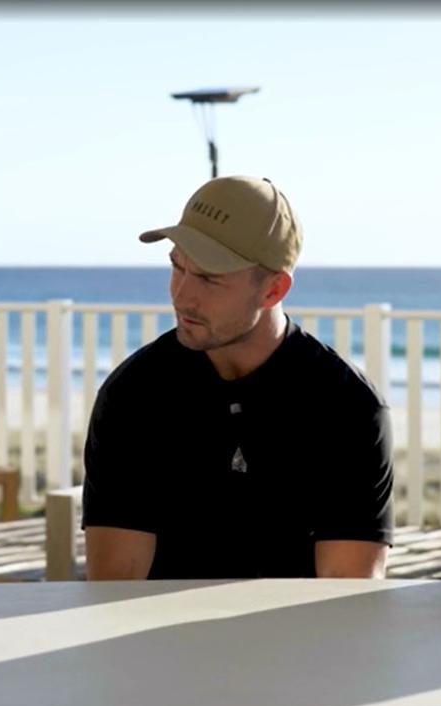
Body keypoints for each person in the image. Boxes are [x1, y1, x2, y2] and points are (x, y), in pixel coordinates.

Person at [81, 175, 394, 580]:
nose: (182, 295)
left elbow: (346, 600)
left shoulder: (345, 406)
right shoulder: (136, 394)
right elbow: (114, 592)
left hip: (299, 638)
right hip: (159, 638)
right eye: (177, 267)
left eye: (210, 278)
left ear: (273, 290)